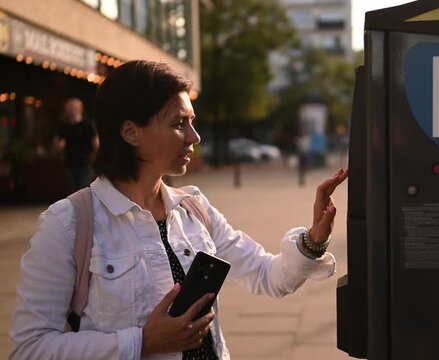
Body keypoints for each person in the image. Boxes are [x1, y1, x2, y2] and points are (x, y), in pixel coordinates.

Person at [10, 60, 348, 360]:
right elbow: (30, 348)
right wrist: (139, 343)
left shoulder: (194, 209)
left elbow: (267, 276)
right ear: (130, 132)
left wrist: (314, 240)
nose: (194, 136)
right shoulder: (69, 224)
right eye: (178, 123)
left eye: (192, 122)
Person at [54, 97, 99, 191]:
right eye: (69, 108)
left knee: (83, 189)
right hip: (71, 162)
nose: (71, 111)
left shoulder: (87, 125)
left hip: (85, 162)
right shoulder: (64, 126)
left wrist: (94, 156)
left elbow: (96, 143)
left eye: (74, 108)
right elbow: (58, 142)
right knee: (74, 190)